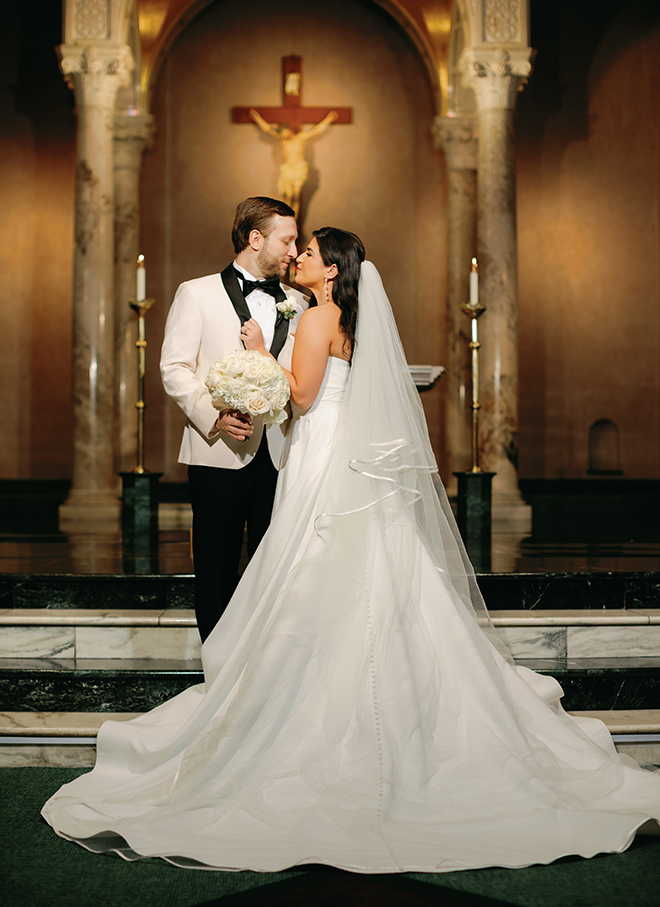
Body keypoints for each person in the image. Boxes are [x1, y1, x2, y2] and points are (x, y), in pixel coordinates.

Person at [43, 229, 660, 873]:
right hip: (341, 453)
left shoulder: (315, 316)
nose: (298, 257)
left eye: (307, 251)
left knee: (312, 568)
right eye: (296, 247)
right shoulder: (349, 321)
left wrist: (256, 361)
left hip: (320, 455)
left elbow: (302, 397)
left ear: (331, 269)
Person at [160, 197, 307, 641]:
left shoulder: (300, 302)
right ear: (255, 238)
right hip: (217, 455)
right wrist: (214, 415)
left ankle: (263, 673)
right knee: (216, 567)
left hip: (283, 456)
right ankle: (217, 679)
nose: (294, 251)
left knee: (275, 570)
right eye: (287, 239)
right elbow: (174, 368)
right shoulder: (196, 292)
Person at [249, 109, 338, 218]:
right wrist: (257, 117)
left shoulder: (300, 138)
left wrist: (329, 119)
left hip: (299, 169)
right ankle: (286, 218)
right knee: (288, 196)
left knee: (296, 195)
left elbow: (316, 130)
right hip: (287, 169)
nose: (284, 136)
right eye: (282, 135)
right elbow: (268, 129)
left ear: (289, 130)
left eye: (285, 133)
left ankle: (294, 220)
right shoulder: (282, 140)